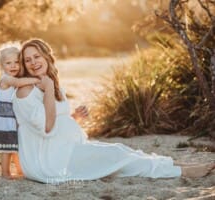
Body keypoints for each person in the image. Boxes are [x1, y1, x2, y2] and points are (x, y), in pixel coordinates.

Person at [12, 38, 215, 184]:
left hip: (63, 148)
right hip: (49, 161)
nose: (33, 63)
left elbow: (55, 118)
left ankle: (170, 163)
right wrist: (47, 90)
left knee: (121, 149)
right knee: (115, 155)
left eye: (36, 56)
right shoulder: (26, 91)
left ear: (47, 57)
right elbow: (47, 128)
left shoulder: (50, 83)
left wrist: (74, 117)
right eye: (27, 60)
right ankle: (180, 171)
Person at [0, 42, 40, 179]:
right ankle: (5, 172)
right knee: (7, 148)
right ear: (2, 66)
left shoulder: (14, 77)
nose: (13, 66)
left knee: (15, 145)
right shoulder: (6, 79)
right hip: (4, 116)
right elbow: (17, 84)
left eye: (16, 62)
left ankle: (20, 169)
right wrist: (35, 79)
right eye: (8, 63)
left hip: (12, 115)